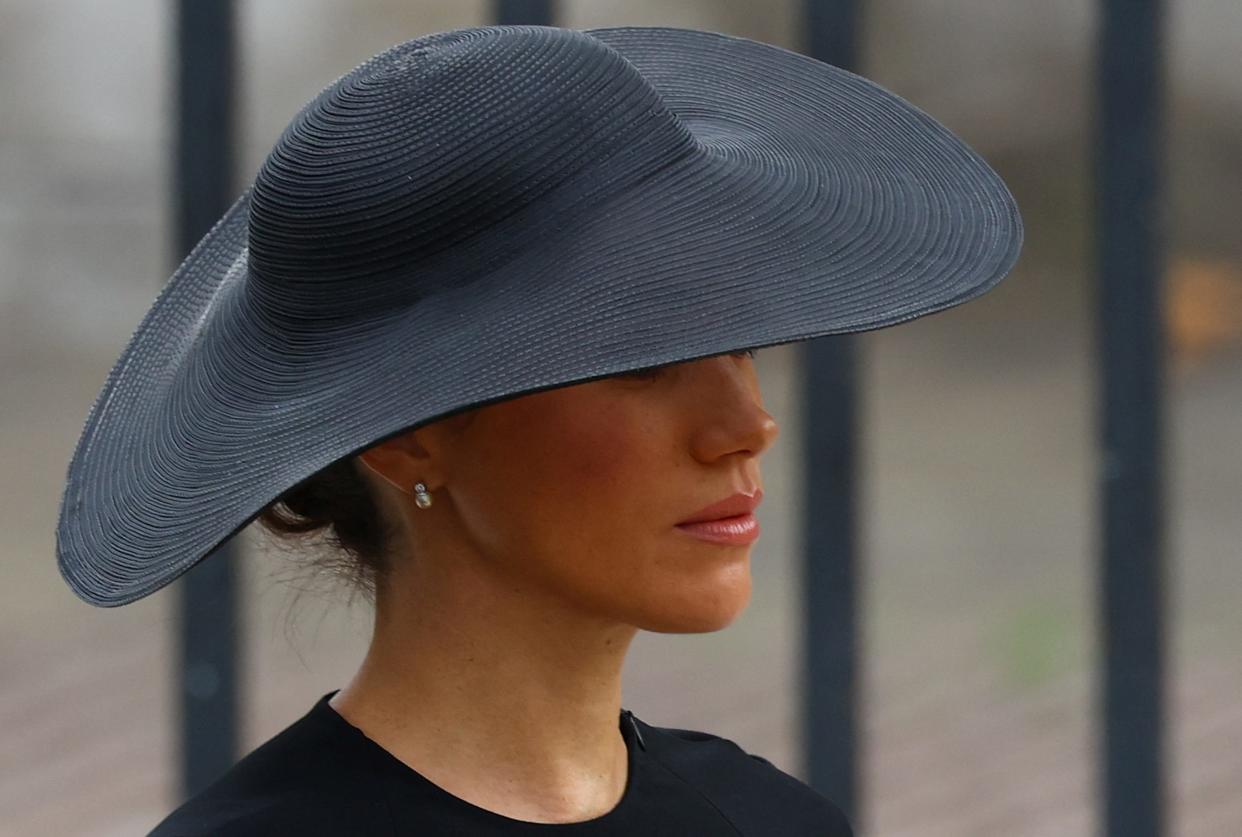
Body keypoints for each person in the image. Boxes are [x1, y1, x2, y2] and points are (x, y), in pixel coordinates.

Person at [55, 23, 1022, 836]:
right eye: (645, 356)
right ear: (408, 436)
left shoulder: (768, 818)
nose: (748, 425)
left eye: (741, 342)